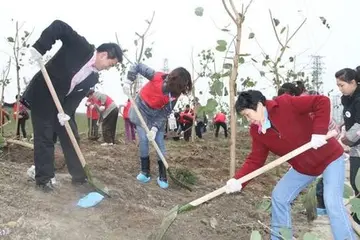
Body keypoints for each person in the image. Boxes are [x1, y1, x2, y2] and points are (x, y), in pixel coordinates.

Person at [225, 90, 356, 240]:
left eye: (248, 115)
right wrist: (239, 180)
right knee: (279, 197)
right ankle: (281, 237)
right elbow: (255, 160)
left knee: (331, 201)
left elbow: (322, 101)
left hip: (330, 158)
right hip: (304, 168)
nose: (248, 120)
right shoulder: (257, 131)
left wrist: (318, 132)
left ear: (259, 106)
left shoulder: (285, 104)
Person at [21, 20, 123, 192]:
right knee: (45, 135)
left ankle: (79, 177)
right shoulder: (81, 46)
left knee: (71, 134)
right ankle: (44, 180)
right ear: (104, 55)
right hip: (43, 92)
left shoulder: (93, 78)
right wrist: (40, 46)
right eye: (111, 64)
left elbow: (75, 97)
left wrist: (66, 114)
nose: (108, 68)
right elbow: (59, 26)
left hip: (61, 102)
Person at [123, 63, 192, 189]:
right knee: (143, 140)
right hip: (141, 109)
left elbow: (165, 112)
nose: (178, 93)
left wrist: (155, 128)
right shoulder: (156, 77)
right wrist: (128, 81)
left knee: (159, 142)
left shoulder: (174, 96)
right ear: (172, 81)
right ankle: (145, 171)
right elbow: (137, 66)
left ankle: (163, 175)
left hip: (157, 114)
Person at [336, 67, 360, 224]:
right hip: (356, 147)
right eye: (338, 85)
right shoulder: (348, 98)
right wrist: (340, 125)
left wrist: (346, 139)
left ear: (353, 83)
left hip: (356, 143)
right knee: (354, 180)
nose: (339, 88)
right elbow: (349, 115)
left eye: (341, 85)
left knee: (357, 180)